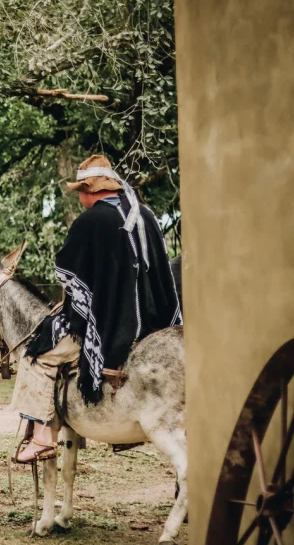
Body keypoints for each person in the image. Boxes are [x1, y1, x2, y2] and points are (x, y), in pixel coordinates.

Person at [12, 155, 182, 463]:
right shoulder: (145, 214)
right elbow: (160, 273)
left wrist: (76, 313)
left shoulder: (90, 221)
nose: (78, 197)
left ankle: (41, 438)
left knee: (38, 355)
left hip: (110, 325)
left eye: (80, 189)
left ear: (90, 188)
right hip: (156, 323)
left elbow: (68, 272)